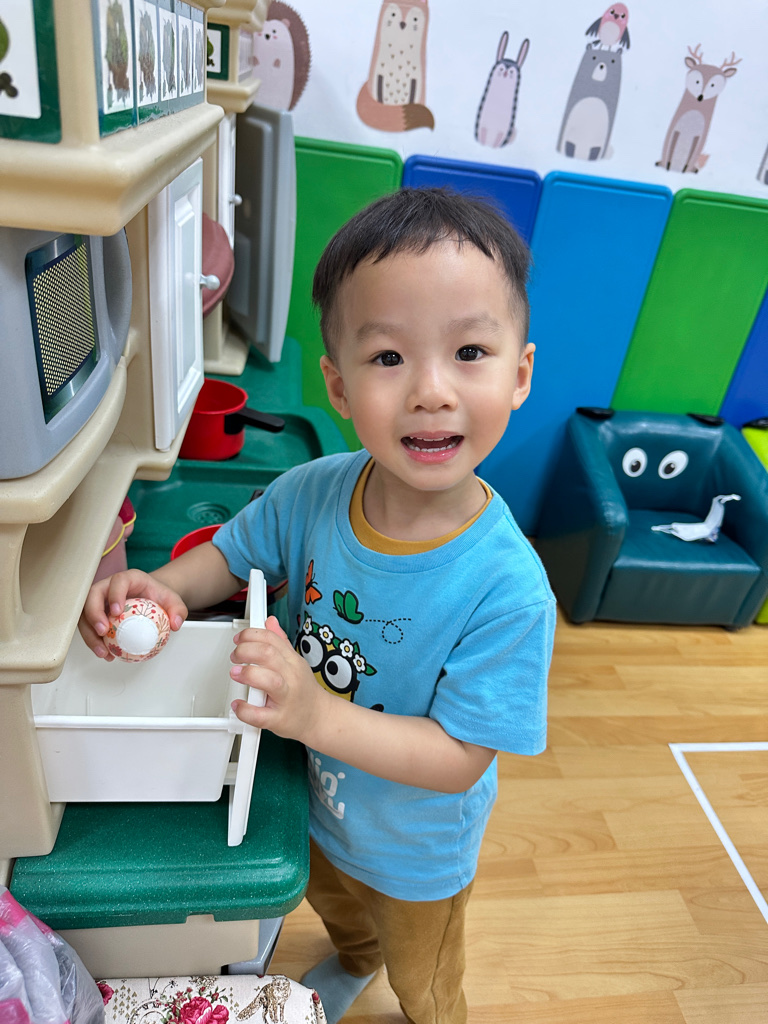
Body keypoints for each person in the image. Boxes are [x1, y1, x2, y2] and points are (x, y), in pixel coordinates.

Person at [79, 187, 555, 1024]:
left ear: (519, 374)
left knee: (424, 980)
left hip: (415, 854)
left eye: (469, 351)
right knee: (337, 910)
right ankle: (356, 956)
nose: (431, 391)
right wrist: (166, 588)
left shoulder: (509, 588)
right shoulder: (313, 490)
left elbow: (459, 758)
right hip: (310, 801)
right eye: (388, 357)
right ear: (337, 385)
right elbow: (233, 554)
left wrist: (313, 713)